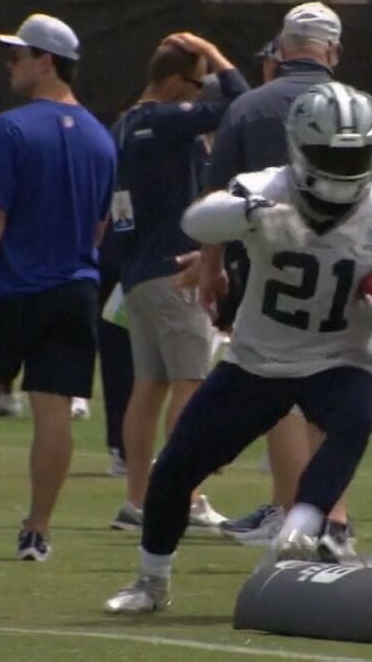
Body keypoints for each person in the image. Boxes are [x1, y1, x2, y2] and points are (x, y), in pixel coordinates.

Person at [103, 82, 372, 614]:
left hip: (339, 357)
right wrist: (249, 215)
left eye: (352, 154)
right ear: (299, 147)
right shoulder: (264, 187)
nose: (341, 166)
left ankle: (300, 528)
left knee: (359, 412)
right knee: (174, 469)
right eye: (329, 153)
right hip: (257, 360)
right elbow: (196, 219)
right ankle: (151, 581)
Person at [201, 3, 372, 550]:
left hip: (268, 276)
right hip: (347, 274)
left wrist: (211, 268)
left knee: (277, 391)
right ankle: (326, 515)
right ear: (333, 52)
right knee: (334, 392)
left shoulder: (248, 106)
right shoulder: (361, 107)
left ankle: (289, 506)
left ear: (282, 47)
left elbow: (214, 201)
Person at [0, 13, 115, 561]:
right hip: (75, 287)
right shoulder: (102, 139)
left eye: (18, 55)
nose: (9, 65)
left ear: (46, 61)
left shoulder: (10, 128)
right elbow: (101, 225)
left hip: (12, 288)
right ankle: (38, 531)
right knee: (53, 408)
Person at [107, 33, 248, 534]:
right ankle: (184, 497)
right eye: (194, 83)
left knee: (148, 389)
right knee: (190, 386)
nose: (199, 92)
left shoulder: (124, 123)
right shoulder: (165, 120)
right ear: (172, 82)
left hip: (138, 275)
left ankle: (137, 500)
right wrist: (219, 56)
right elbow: (239, 105)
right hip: (175, 272)